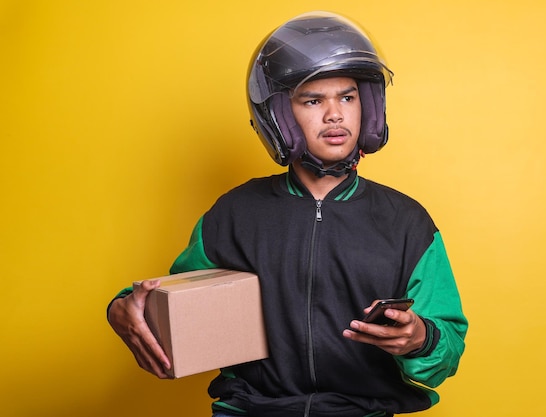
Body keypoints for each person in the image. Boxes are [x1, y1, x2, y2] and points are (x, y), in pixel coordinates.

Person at [107, 11, 468, 417]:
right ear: (280, 116)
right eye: (313, 100)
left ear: (368, 105)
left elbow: (448, 349)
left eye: (347, 97)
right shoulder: (235, 213)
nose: (335, 115)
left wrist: (420, 338)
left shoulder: (407, 223)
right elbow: (173, 304)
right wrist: (122, 308)